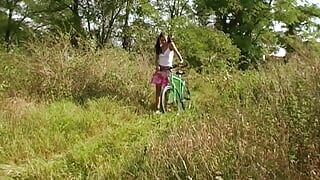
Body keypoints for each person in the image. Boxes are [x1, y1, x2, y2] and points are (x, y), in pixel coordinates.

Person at [151, 32, 184, 114]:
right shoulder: (159, 47)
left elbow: (178, 54)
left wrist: (181, 61)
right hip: (160, 69)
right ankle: (157, 108)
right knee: (158, 90)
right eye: (161, 40)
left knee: (166, 90)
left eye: (164, 40)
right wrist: (157, 66)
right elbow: (156, 59)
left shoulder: (170, 45)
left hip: (168, 70)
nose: (163, 41)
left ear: (167, 39)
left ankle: (165, 106)